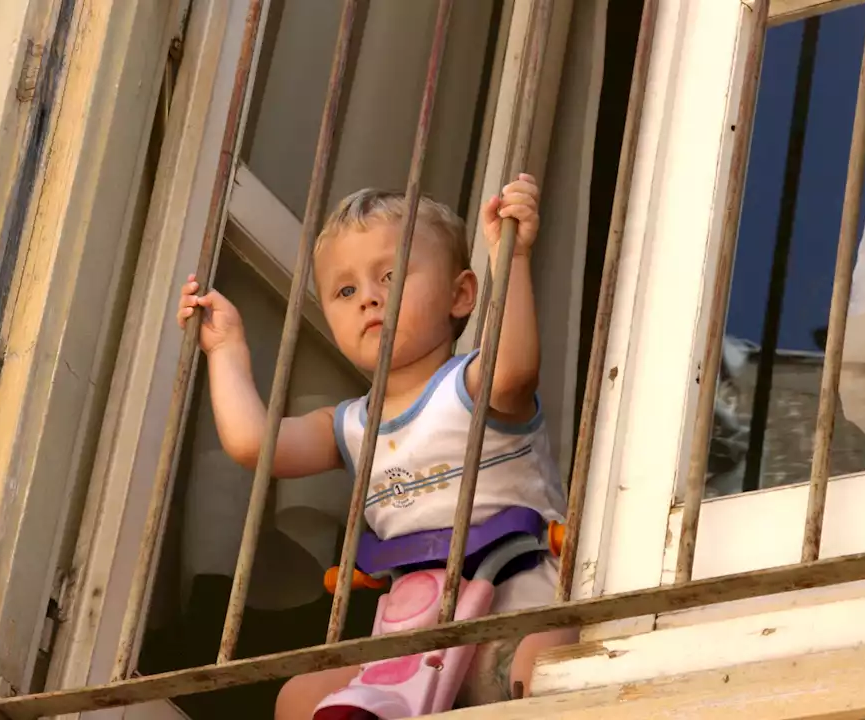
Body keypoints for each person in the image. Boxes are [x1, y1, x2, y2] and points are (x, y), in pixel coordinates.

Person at [176, 174, 574, 715]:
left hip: (513, 614)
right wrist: (226, 349)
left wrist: (512, 258)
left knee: (549, 664)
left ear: (461, 295)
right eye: (346, 290)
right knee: (298, 698)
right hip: (412, 638)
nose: (369, 297)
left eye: (391, 275)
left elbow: (513, 373)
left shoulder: (474, 383)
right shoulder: (349, 424)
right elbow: (255, 446)